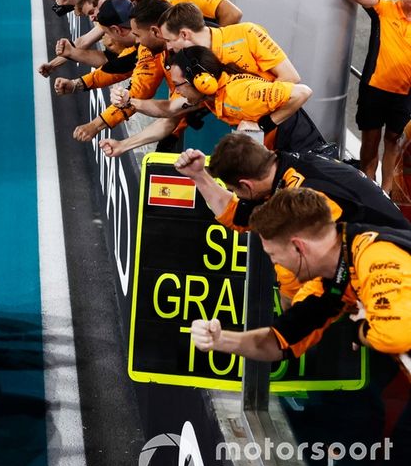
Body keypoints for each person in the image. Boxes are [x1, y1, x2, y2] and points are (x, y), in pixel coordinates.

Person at [174, 132, 409, 303]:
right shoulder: (287, 168)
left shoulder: (300, 199)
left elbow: (296, 292)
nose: (236, 196)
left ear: (246, 184)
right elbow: (241, 216)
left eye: (235, 190)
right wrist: (199, 176)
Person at [190, 188, 410, 361]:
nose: (275, 263)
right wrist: (219, 340)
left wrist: (359, 331)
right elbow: (280, 339)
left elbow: (394, 336)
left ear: (299, 247)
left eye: (273, 254)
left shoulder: (374, 256)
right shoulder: (331, 282)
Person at [107, 45, 323, 155]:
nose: (177, 92)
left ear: (200, 82)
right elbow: (167, 110)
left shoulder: (240, 93)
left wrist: (266, 123)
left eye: (179, 85)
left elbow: (302, 92)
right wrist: (130, 102)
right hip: (280, 153)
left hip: (302, 151)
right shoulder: (209, 95)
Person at [69, 0, 187, 146]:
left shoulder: (192, 62)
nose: (137, 42)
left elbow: (171, 112)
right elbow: (172, 111)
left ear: (155, 31)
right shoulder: (153, 49)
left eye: (137, 35)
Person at [348, 0, 411, 193]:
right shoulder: (385, 7)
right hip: (374, 90)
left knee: (393, 141)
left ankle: (386, 192)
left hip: (404, 95)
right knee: (370, 141)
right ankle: (368, 187)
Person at [158, 2, 300, 83]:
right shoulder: (191, 62)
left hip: (285, 128)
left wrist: (260, 116)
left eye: (169, 40)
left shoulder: (247, 33)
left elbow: (291, 77)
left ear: (184, 34)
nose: (168, 47)